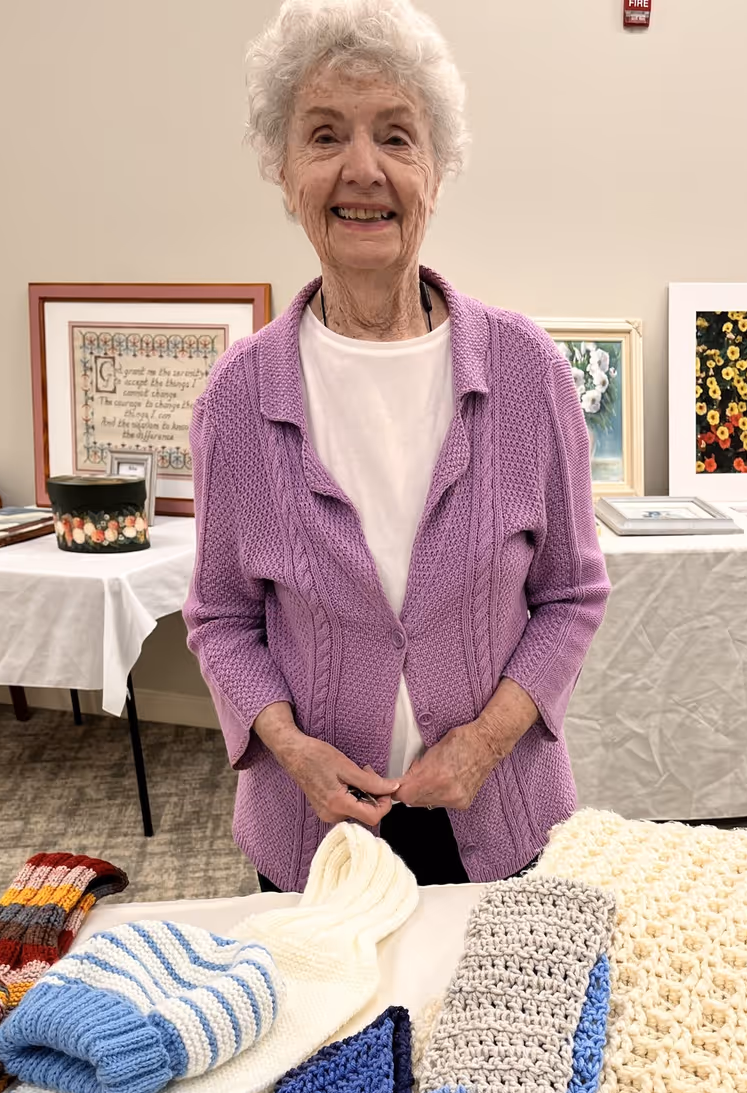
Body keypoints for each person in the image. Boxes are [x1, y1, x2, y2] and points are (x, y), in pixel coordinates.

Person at [184, 0, 610, 891]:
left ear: (438, 168)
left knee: (500, 1029)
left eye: (397, 136)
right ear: (283, 167)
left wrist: (488, 742)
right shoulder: (237, 397)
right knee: (328, 1026)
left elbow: (571, 595)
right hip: (315, 832)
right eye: (325, 134)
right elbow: (221, 617)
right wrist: (291, 749)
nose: (363, 170)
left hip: (501, 817)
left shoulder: (528, 372)